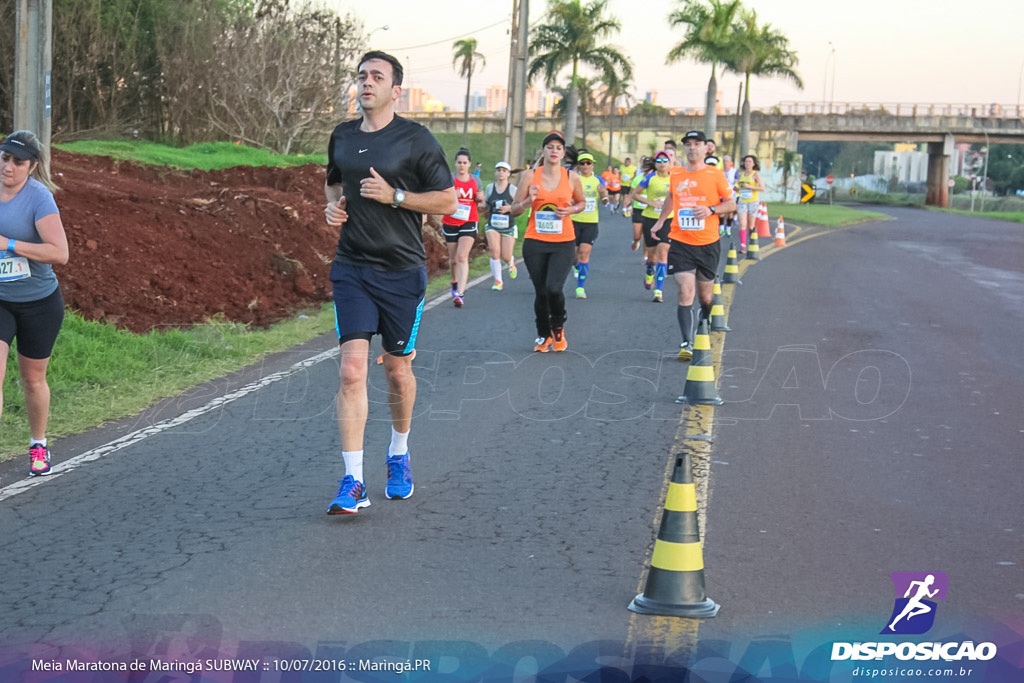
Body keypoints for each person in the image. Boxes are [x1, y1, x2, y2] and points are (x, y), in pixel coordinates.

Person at [323, 51, 457, 514]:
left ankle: (398, 453)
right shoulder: (341, 136)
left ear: (395, 90)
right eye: (361, 76)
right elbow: (334, 183)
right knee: (352, 370)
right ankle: (353, 480)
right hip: (352, 267)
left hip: (401, 271)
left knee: (397, 371)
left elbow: (448, 201)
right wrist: (332, 207)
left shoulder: (416, 140)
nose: (366, 83)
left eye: (377, 77)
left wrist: (396, 196)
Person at [0, 131, 69, 478]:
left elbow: (60, 253)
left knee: (32, 380)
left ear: (32, 166)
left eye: (17, 161)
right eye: (4, 157)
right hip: (0, 300)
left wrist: (8, 244)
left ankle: (38, 442)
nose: (8, 167)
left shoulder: (39, 198)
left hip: (39, 302)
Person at [650, 130, 736, 360]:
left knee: (705, 297)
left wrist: (711, 209)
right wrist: (660, 222)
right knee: (684, 291)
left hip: (708, 243)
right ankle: (686, 342)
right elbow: (671, 197)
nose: (692, 148)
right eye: (688, 144)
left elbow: (731, 203)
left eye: (697, 144)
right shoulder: (676, 173)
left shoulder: (715, 175)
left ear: (706, 148)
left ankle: (704, 321)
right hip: (681, 240)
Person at [510, 131, 585, 353]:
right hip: (535, 242)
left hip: (563, 242)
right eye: (550, 147)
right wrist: (527, 201)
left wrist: (570, 209)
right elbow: (514, 211)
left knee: (554, 288)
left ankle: (558, 325)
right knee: (541, 291)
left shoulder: (571, 177)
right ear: (543, 151)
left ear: (563, 153)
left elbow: (582, 203)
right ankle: (543, 335)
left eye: (558, 148)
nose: (554, 151)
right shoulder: (529, 176)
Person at [630, 149, 674, 302]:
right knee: (652, 255)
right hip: (650, 218)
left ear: (670, 163)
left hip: (668, 219)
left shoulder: (675, 178)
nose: (662, 164)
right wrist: (650, 202)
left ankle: (658, 291)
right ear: (655, 164)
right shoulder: (649, 178)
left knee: (663, 252)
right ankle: (650, 270)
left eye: (665, 161)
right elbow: (634, 194)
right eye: (659, 161)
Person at [441, 147, 483, 307]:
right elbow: (441, 199)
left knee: (462, 256)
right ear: (455, 164)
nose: (462, 165)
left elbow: (481, 201)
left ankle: (460, 293)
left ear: (469, 164)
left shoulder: (475, 180)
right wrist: (452, 196)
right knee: (453, 260)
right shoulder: (449, 180)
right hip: (450, 222)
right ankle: (454, 281)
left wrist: (480, 199)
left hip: (469, 221)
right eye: (459, 162)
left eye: (465, 163)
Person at [572, 151, 608, 299]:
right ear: (578, 166)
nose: (586, 166)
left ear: (592, 165)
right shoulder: (574, 179)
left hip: (591, 222)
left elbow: (605, 201)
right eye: (582, 163)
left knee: (584, 253)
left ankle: (580, 287)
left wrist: (603, 195)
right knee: (573, 256)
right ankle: (575, 265)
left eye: (588, 163)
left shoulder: (598, 180)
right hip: (574, 220)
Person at [482, 161, 518, 290]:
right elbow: (485, 204)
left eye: (504, 170)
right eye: (499, 170)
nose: (501, 173)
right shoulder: (490, 188)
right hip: (493, 224)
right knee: (494, 251)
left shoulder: (513, 190)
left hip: (508, 226)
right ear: (495, 173)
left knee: (505, 256)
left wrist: (510, 208)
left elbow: (520, 206)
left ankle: (511, 262)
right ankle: (498, 281)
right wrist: (480, 204)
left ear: (508, 174)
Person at [735, 154, 765, 254]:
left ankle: (752, 243)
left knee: (751, 226)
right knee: (742, 223)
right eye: (746, 161)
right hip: (742, 200)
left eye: (750, 162)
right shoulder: (741, 174)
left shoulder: (755, 174)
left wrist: (750, 187)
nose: (747, 163)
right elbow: (736, 187)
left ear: (754, 164)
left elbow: (762, 188)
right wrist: (737, 187)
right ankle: (743, 245)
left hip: (753, 201)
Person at [628, 156, 654, 252]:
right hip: (638, 209)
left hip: (651, 210)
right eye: (645, 167)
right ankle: (636, 241)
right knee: (637, 235)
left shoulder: (655, 179)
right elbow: (631, 193)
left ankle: (646, 258)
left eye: (649, 168)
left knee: (648, 236)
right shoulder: (637, 179)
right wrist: (628, 206)